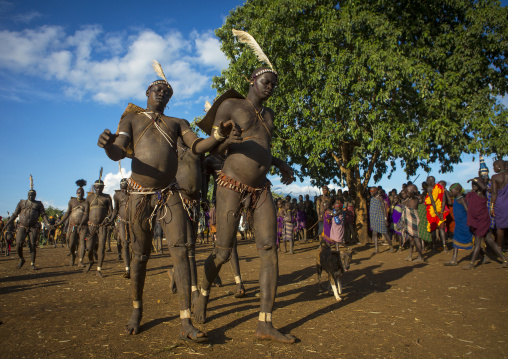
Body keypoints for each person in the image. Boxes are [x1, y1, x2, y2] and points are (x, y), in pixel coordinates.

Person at [97, 64, 240, 341]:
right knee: (140, 256)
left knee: (183, 250)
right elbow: (118, 151)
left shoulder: (177, 123)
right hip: (139, 195)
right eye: (157, 89)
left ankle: (185, 321)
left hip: (170, 193)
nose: (162, 93)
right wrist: (107, 145)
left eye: (166, 91)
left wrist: (217, 136)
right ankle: (137, 310)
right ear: (148, 92)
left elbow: (196, 145)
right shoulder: (132, 120)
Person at [192, 31, 295, 343]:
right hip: (230, 185)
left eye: (275, 84)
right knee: (222, 252)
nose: (271, 87)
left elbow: (262, 148)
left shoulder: (269, 115)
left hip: (261, 188)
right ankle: (204, 292)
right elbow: (212, 149)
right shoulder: (232, 105)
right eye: (267, 82)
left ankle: (265, 322)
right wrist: (224, 141)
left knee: (269, 249)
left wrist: (279, 163)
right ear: (253, 78)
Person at [4, 176, 53, 269]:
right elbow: (15, 214)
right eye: (29, 195)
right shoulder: (21, 202)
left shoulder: (38, 204)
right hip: (22, 226)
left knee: (32, 245)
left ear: (35, 195)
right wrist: (7, 223)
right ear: (27, 195)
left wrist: (48, 223)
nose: (30, 196)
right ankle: (21, 259)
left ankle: (32, 264)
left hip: (33, 227)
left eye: (32, 195)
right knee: (18, 244)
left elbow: (44, 215)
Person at [463, 177, 507, 269]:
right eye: (472, 185)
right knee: (490, 241)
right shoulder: (472, 194)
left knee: (478, 242)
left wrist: (475, 180)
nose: (473, 186)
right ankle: (505, 260)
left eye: (476, 185)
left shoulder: (482, 193)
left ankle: (471, 263)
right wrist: (474, 181)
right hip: (477, 221)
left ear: (480, 185)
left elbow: (483, 188)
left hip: (482, 221)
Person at [79, 173, 113, 277]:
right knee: (89, 248)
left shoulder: (107, 197)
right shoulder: (89, 198)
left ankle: (99, 269)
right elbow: (86, 213)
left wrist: (107, 219)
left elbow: (111, 212)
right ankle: (90, 261)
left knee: (101, 247)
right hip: (91, 226)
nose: (98, 189)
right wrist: (81, 224)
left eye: (100, 187)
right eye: (96, 187)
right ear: (94, 187)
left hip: (102, 226)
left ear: (103, 188)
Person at [55, 179, 88, 266]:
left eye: (81, 193)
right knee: (72, 243)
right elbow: (67, 213)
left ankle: (80, 261)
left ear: (84, 194)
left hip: (83, 226)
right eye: (78, 193)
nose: (80, 194)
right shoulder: (72, 202)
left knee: (82, 243)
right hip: (73, 226)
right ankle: (73, 256)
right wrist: (60, 222)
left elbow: (85, 215)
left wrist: (81, 224)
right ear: (76, 193)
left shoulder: (86, 203)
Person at [444, 183, 473, 266]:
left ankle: (483, 254)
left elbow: (468, 211)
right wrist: (446, 192)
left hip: (464, 223)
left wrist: (470, 222)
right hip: (459, 224)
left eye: (451, 191)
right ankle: (454, 259)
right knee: (455, 241)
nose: (451, 192)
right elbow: (449, 202)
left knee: (471, 241)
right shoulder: (456, 199)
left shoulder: (462, 199)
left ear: (457, 190)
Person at [109, 178, 131, 278]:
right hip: (122, 221)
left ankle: (134, 265)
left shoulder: (133, 194)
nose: (124, 189)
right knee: (125, 243)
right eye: (122, 187)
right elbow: (115, 210)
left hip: (133, 222)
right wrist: (110, 220)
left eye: (125, 187)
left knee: (134, 245)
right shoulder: (117, 195)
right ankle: (127, 269)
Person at [396, 185, 424, 262]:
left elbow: (416, 197)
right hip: (408, 222)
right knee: (411, 239)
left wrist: (414, 193)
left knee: (416, 238)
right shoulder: (408, 199)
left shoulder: (416, 198)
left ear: (414, 191)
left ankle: (420, 257)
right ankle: (410, 256)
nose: (406, 192)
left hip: (414, 221)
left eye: (408, 191)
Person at [425, 176, 450, 252]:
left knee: (437, 229)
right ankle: (442, 247)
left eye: (427, 180)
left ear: (430, 180)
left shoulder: (432, 188)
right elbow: (442, 201)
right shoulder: (440, 187)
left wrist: (439, 212)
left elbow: (435, 201)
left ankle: (436, 247)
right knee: (437, 229)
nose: (427, 182)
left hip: (434, 211)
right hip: (437, 211)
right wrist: (440, 212)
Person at [369, 187, 394, 253]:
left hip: (381, 217)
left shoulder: (380, 198)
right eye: (370, 192)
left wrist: (385, 218)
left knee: (385, 233)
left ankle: (391, 247)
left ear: (375, 191)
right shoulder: (372, 199)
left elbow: (383, 208)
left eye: (372, 191)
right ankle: (376, 249)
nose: (371, 193)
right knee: (374, 233)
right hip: (374, 218)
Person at [491, 159, 508, 250]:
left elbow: (494, 193)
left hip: (500, 204)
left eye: (494, 166)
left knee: (500, 227)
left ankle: (499, 248)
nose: (493, 168)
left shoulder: (495, 177)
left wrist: (492, 206)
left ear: (499, 166)